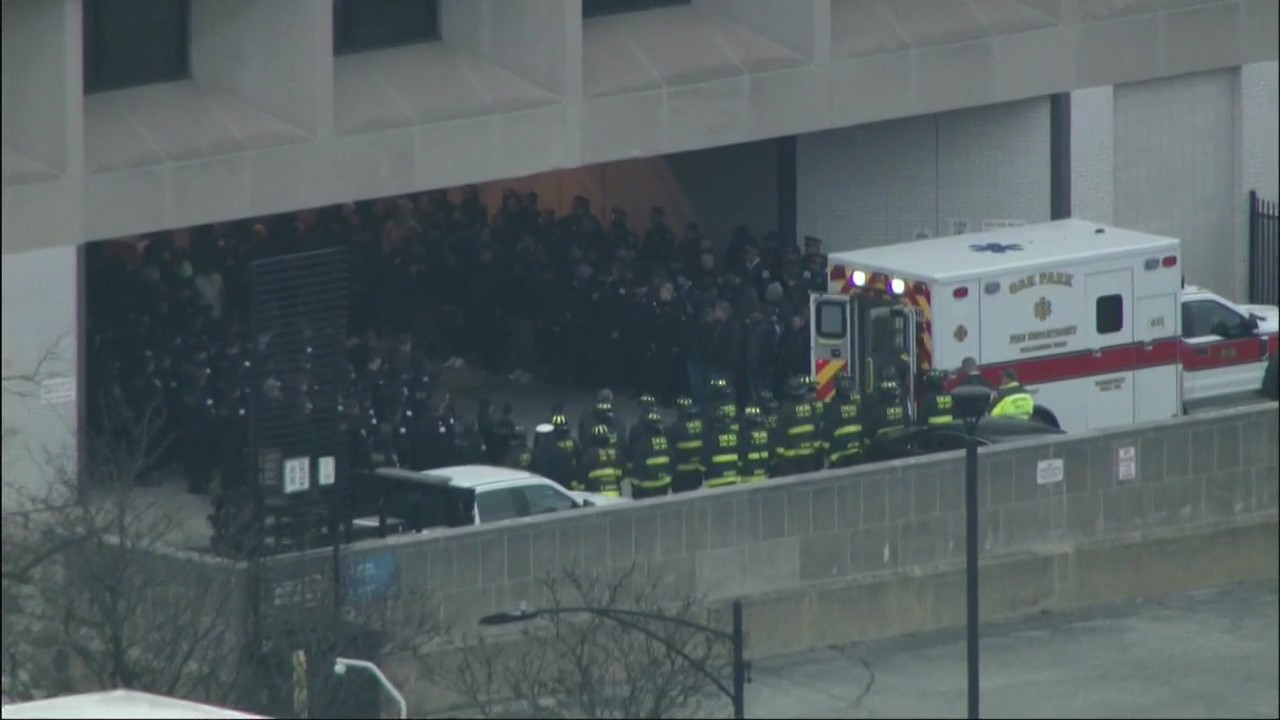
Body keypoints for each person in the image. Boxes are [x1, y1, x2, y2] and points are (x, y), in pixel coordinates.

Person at [774, 378, 820, 476]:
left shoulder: (784, 411)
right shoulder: (811, 408)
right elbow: (817, 429)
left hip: (791, 460)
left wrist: (779, 458)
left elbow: (780, 435)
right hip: (809, 456)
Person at [627, 410, 672, 499]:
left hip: (646, 488)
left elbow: (638, 467)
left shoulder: (642, 444)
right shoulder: (666, 441)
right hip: (664, 484)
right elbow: (672, 460)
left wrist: (634, 485)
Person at [824, 375, 864, 468]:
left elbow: (827, 431)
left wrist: (824, 452)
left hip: (838, 455)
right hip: (854, 451)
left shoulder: (832, 407)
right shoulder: (856, 406)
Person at [667, 397, 705, 494]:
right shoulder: (702, 425)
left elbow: (670, 451)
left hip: (681, 472)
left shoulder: (676, 428)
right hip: (698, 471)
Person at [578, 424, 623, 497]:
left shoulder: (588, 456)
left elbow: (582, 477)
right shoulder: (618, 453)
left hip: (596, 496)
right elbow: (623, 474)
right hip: (616, 494)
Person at [703, 405, 742, 488]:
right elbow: (741, 452)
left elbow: (706, 456)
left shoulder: (712, 436)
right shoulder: (735, 435)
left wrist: (701, 470)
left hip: (715, 480)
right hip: (733, 478)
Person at [739, 405, 771, 483]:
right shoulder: (767, 432)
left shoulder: (744, 434)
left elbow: (741, 452)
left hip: (748, 476)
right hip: (765, 474)